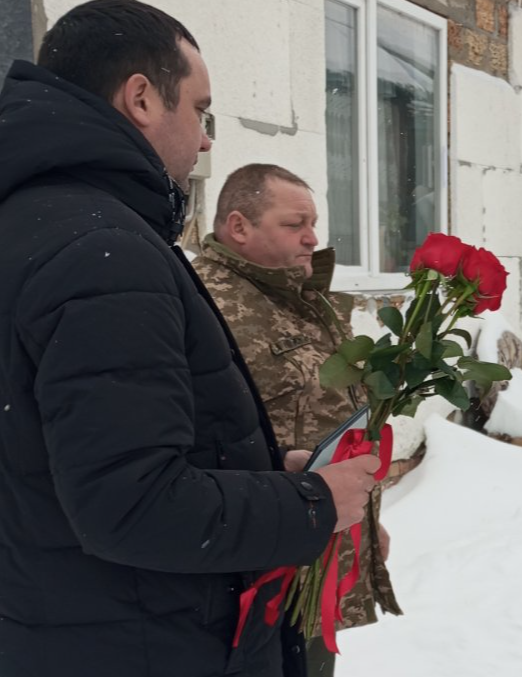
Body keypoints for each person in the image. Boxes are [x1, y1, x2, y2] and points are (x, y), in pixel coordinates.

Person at [0, 2, 380, 676]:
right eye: (201, 110)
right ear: (142, 97)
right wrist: (311, 503)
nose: (206, 139)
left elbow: (80, 456)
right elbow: (133, 503)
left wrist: (263, 474)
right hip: (142, 640)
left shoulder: (37, 225)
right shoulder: (100, 249)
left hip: (69, 622)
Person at [194, 164, 403, 677]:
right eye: (295, 224)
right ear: (239, 227)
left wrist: (364, 521)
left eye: (314, 224)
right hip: (254, 566)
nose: (312, 239)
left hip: (317, 550)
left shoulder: (304, 300)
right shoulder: (204, 304)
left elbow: (322, 422)